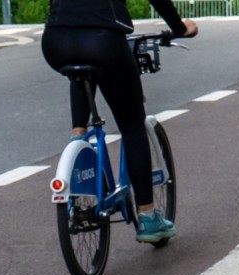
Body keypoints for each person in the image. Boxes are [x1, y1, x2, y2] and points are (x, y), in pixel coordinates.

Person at [40, 0, 197, 243]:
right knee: (133, 125)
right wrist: (178, 27)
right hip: (103, 39)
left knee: (80, 72)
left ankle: (77, 140)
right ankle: (147, 217)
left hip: (55, 41)